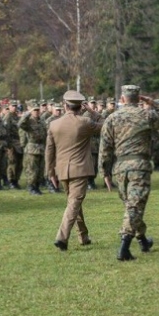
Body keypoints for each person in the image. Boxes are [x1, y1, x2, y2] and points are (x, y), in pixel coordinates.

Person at [99, 85, 159, 261]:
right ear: (139, 98)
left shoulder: (112, 118)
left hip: (120, 168)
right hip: (139, 166)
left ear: (122, 99)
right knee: (134, 206)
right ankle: (124, 247)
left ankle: (142, 240)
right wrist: (154, 103)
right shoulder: (146, 115)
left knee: (132, 205)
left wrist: (105, 173)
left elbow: (105, 148)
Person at [45, 90, 103, 251]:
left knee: (74, 203)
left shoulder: (54, 124)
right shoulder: (85, 122)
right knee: (73, 204)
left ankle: (83, 236)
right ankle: (61, 238)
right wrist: (92, 112)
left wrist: (50, 172)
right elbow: (106, 126)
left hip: (62, 170)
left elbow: (49, 151)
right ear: (80, 107)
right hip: (80, 170)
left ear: (65, 106)